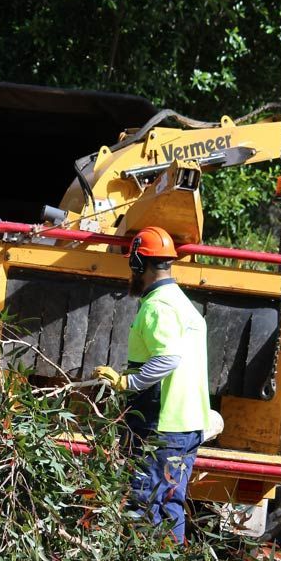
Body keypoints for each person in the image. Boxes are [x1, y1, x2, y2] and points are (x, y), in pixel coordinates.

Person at [95, 225, 210, 542]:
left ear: (137, 263)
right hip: (187, 426)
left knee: (143, 504)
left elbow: (168, 358)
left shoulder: (157, 307)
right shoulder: (184, 305)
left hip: (162, 427)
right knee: (171, 502)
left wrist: (125, 382)